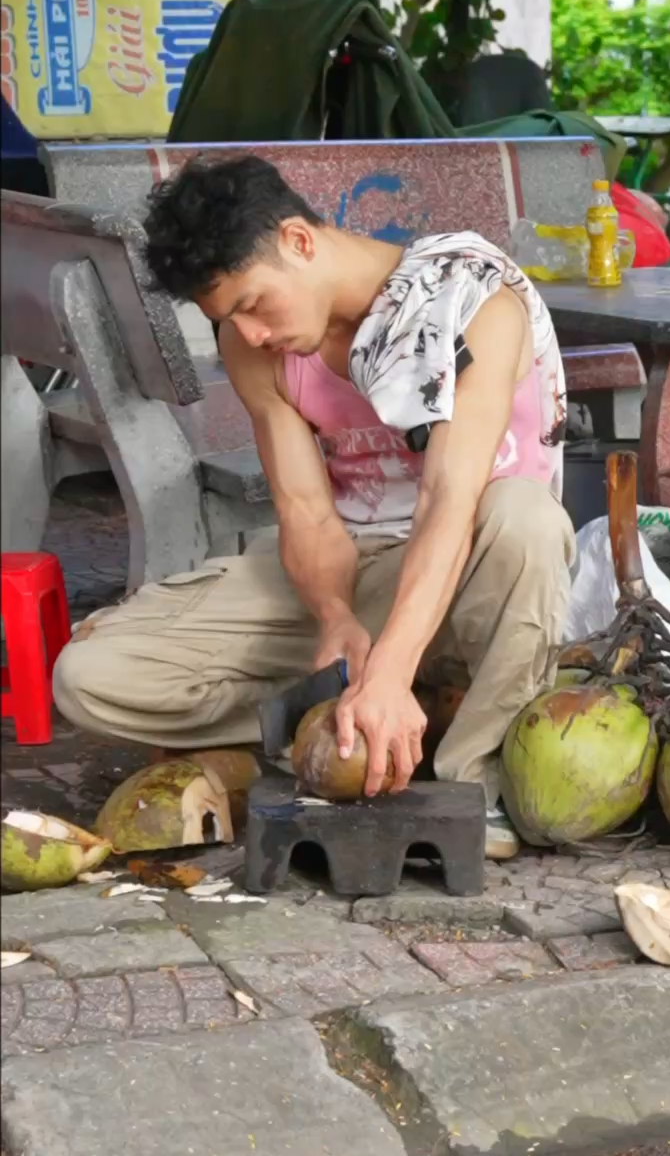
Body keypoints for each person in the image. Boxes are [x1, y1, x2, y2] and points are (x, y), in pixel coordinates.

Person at [51, 155, 576, 856]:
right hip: (364, 570)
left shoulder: (475, 301)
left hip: (476, 567)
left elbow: (449, 501)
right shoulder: (254, 347)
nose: (252, 333)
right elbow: (305, 511)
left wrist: (388, 667)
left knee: (527, 520)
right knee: (91, 677)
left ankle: (466, 777)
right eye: (229, 317)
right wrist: (335, 619)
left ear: (299, 241)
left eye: (252, 304)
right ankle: (339, 731)